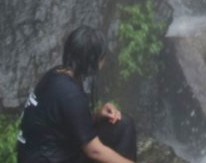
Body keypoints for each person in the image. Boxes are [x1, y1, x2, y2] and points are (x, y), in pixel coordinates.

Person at [17, 26, 137, 163]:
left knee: (123, 125)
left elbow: (66, 123)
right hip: (48, 158)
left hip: (43, 153)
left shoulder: (56, 74)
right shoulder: (70, 94)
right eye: (102, 57)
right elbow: (94, 151)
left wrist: (98, 115)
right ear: (93, 60)